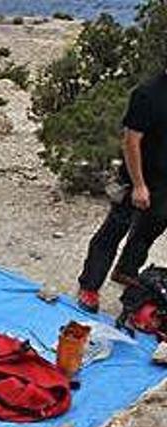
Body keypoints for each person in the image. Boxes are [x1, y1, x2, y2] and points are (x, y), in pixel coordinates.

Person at [77, 67, 167, 313]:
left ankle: (126, 270)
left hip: (164, 181)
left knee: (151, 228)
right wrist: (138, 185)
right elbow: (131, 140)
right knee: (114, 229)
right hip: (138, 177)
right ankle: (89, 286)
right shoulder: (147, 94)